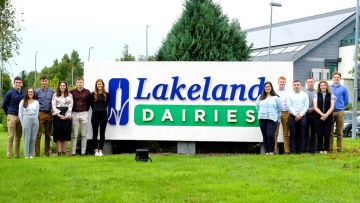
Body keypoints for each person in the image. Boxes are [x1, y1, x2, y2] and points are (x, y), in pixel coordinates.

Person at [256, 81, 282, 155]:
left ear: (271, 87)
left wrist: (277, 117)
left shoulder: (276, 98)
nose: (267, 88)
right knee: (265, 136)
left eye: (268, 86)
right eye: (266, 87)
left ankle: (272, 151)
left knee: (270, 135)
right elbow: (257, 107)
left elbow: (280, 109)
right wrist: (261, 114)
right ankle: (267, 152)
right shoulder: (260, 97)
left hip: (272, 119)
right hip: (262, 119)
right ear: (264, 88)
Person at [2, 76, 24, 159]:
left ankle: (17, 155)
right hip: (12, 115)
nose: (18, 84)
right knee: (10, 136)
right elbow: (4, 105)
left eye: (19, 82)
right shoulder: (10, 93)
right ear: (14, 83)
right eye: (16, 82)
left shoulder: (23, 93)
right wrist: (8, 113)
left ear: (21, 83)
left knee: (18, 137)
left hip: (20, 117)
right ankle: (9, 155)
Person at [70, 77, 91, 156]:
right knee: (74, 134)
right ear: (76, 83)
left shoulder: (87, 92)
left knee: (83, 134)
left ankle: (83, 152)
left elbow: (89, 102)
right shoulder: (71, 92)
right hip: (74, 113)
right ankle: (73, 152)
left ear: (83, 83)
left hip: (84, 113)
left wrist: (86, 110)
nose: (79, 83)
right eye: (78, 82)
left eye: (81, 82)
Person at [287, 80, 309, 154]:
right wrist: (295, 114)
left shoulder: (305, 95)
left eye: (298, 85)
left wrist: (300, 115)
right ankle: (293, 151)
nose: (296, 86)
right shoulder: (289, 95)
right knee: (293, 134)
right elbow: (289, 106)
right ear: (293, 86)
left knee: (302, 134)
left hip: (302, 116)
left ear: (300, 85)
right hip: (292, 116)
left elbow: (306, 106)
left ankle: (301, 151)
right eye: (295, 85)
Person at [35, 74, 54, 156]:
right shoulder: (37, 91)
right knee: (38, 134)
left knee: (48, 134)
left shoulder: (52, 91)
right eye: (42, 81)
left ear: (48, 81)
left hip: (49, 113)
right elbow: (34, 102)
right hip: (40, 113)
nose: (44, 82)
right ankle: (37, 153)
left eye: (45, 81)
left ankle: (47, 153)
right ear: (40, 82)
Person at [313, 81, 335, 154]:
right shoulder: (316, 95)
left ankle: (326, 149)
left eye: (324, 85)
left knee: (327, 133)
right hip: (318, 117)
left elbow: (332, 107)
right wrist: (322, 114)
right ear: (319, 87)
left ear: (327, 86)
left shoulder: (331, 95)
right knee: (319, 133)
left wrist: (326, 115)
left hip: (328, 117)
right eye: (321, 85)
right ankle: (320, 150)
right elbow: (315, 107)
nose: (323, 87)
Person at [52, 81, 73, 156]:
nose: (62, 87)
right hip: (57, 116)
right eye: (61, 85)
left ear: (66, 86)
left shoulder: (70, 95)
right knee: (58, 133)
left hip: (67, 115)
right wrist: (58, 114)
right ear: (59, 86)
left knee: (65, 134)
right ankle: (59, 153)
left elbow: (71, 106)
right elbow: (53, 105)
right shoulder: (55, 95)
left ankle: (64, 152)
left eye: (64, 85)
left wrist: (66, 115)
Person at [330, 72, 349, 152]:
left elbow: (346, 101)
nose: (336, 78)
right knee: (330, 131)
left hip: (340, 111)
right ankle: (329, 148)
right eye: (335, 77)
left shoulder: (344, 89)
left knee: (339, 131)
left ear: (340, 78)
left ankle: (339, 148)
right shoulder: (329, 88)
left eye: (338, 77)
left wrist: (340, 106)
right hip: (330, 112)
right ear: (332, 78)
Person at [18, 87, 39, 159]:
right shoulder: (22, 101)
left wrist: (35, 119)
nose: (30, 93)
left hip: (35, 120)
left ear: (33, 93)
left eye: (32, 92)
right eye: (29, 92)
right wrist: (22, 123)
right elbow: (20, 114)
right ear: (27, 93)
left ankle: (31, 154)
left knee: (33, 138)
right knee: (27, 138)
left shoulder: (36, 102)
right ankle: (26, 154)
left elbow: (37, 113)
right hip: (26, 120)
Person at [90, 79, 109, 157]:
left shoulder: (106, 94)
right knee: (95, 133)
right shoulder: (93, 94)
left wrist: (102, 109)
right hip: (95, 115)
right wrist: (96, 110)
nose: (99, 85)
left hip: (104, 115)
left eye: (100, 84)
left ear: (103, 85)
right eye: (98, 84)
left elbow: (107, 104)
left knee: (102, 133)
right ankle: (96, 150)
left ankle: (101, 150)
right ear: (96, 85)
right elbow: (91, 104)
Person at [274, 76, 290, 154]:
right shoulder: (274, 92)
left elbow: (289, 104)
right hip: (276, 113)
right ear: (278, 82)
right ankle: (273, 150)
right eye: (281, 82)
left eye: (283, 82)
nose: (282, 83)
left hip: (285, 112)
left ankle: (286, 150)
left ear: (285, 83)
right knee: (275, 133)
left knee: (286, 133)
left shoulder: (288, 92)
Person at [304, 78, 317, 153]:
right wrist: (306, 109)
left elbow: (318, 102)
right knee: (305, 132)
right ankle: (305, 148)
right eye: (309, 82)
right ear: (307, 83)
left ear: (314, 83)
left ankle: (313, 149)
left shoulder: (317, 92)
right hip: (305, 114)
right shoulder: (303, 92)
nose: (310, 83)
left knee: (313, 133)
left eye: (312, 82)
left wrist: (312, 108)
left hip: (314, 113)